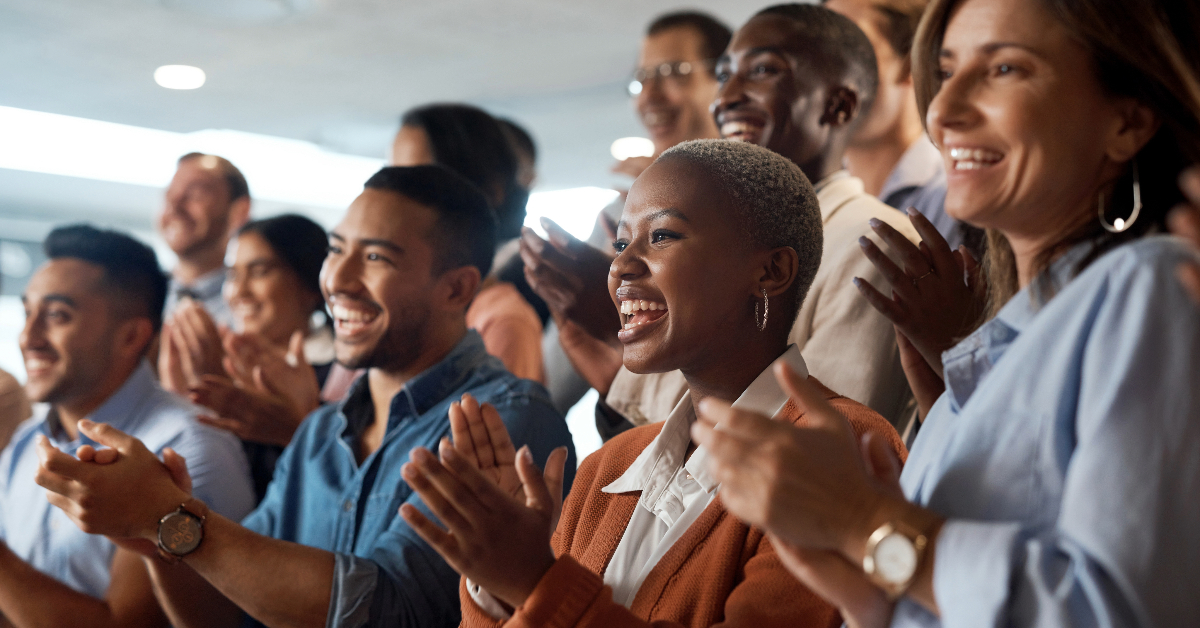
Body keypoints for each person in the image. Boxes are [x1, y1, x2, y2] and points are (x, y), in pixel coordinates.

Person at [693, 0, 1200, 626]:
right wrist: (856, 580)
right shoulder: (982, 361)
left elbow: (1119, 611)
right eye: (948, 69)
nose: (944, 111)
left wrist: (863, 522)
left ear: (1128, 121)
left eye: (1005, 69)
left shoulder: (1151, 284)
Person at [35, 166, 576, 628]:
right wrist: (159, 538)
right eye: (337, 250)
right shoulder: (322, 430)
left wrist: (171, 516)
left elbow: (388, 609)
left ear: (456, 289)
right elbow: (227, 613)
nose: (337, 279)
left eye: (376, 259)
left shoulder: (503, 418)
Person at [401, 140, 906, 628]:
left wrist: (536, 582)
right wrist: (498, 581)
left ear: (771, 271)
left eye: (661, 236)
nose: (620, 264)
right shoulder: (610, 467)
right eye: (621, 242)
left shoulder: (843, 448)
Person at [587, 5, 922, 436]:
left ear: (838, 107)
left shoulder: (875, 244)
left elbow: (819, 440)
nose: (725, 99)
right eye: (725, 75)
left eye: (763, 71)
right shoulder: (724, 239)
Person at [0, 225, 254, 628]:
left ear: (131, 336)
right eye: (28, 313)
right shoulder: (24, 442)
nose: (28, 338)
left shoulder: (185, 444)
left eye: (57, 316)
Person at [524, 11, 732, 414]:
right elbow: (552, 384)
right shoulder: (619, 213)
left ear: (724, 79)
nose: (649, 96)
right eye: (641, 79)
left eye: (673, 72)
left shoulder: (768, 209)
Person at [160, 214, 335, 501]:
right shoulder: (219, 360)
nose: (238, 291)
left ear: (309, 284)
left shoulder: (344, 375)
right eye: (232, 274)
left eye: (260, 271)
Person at [392, 104, 546, 383]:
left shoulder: (504, 315)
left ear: (484, 191)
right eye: (391, 175)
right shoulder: (402, 297)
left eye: (417, 179)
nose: (389, 196)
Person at [823, 0, 982, 256]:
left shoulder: (956, 198)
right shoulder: (805, 195)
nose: (820, 70)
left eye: (848, 47)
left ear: (913, 63)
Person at [158, 153, 252, 326]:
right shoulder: (135, 293)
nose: (174, 206)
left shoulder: (254, 307)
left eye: (195, 194)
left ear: (240, 211)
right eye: (169, 195)